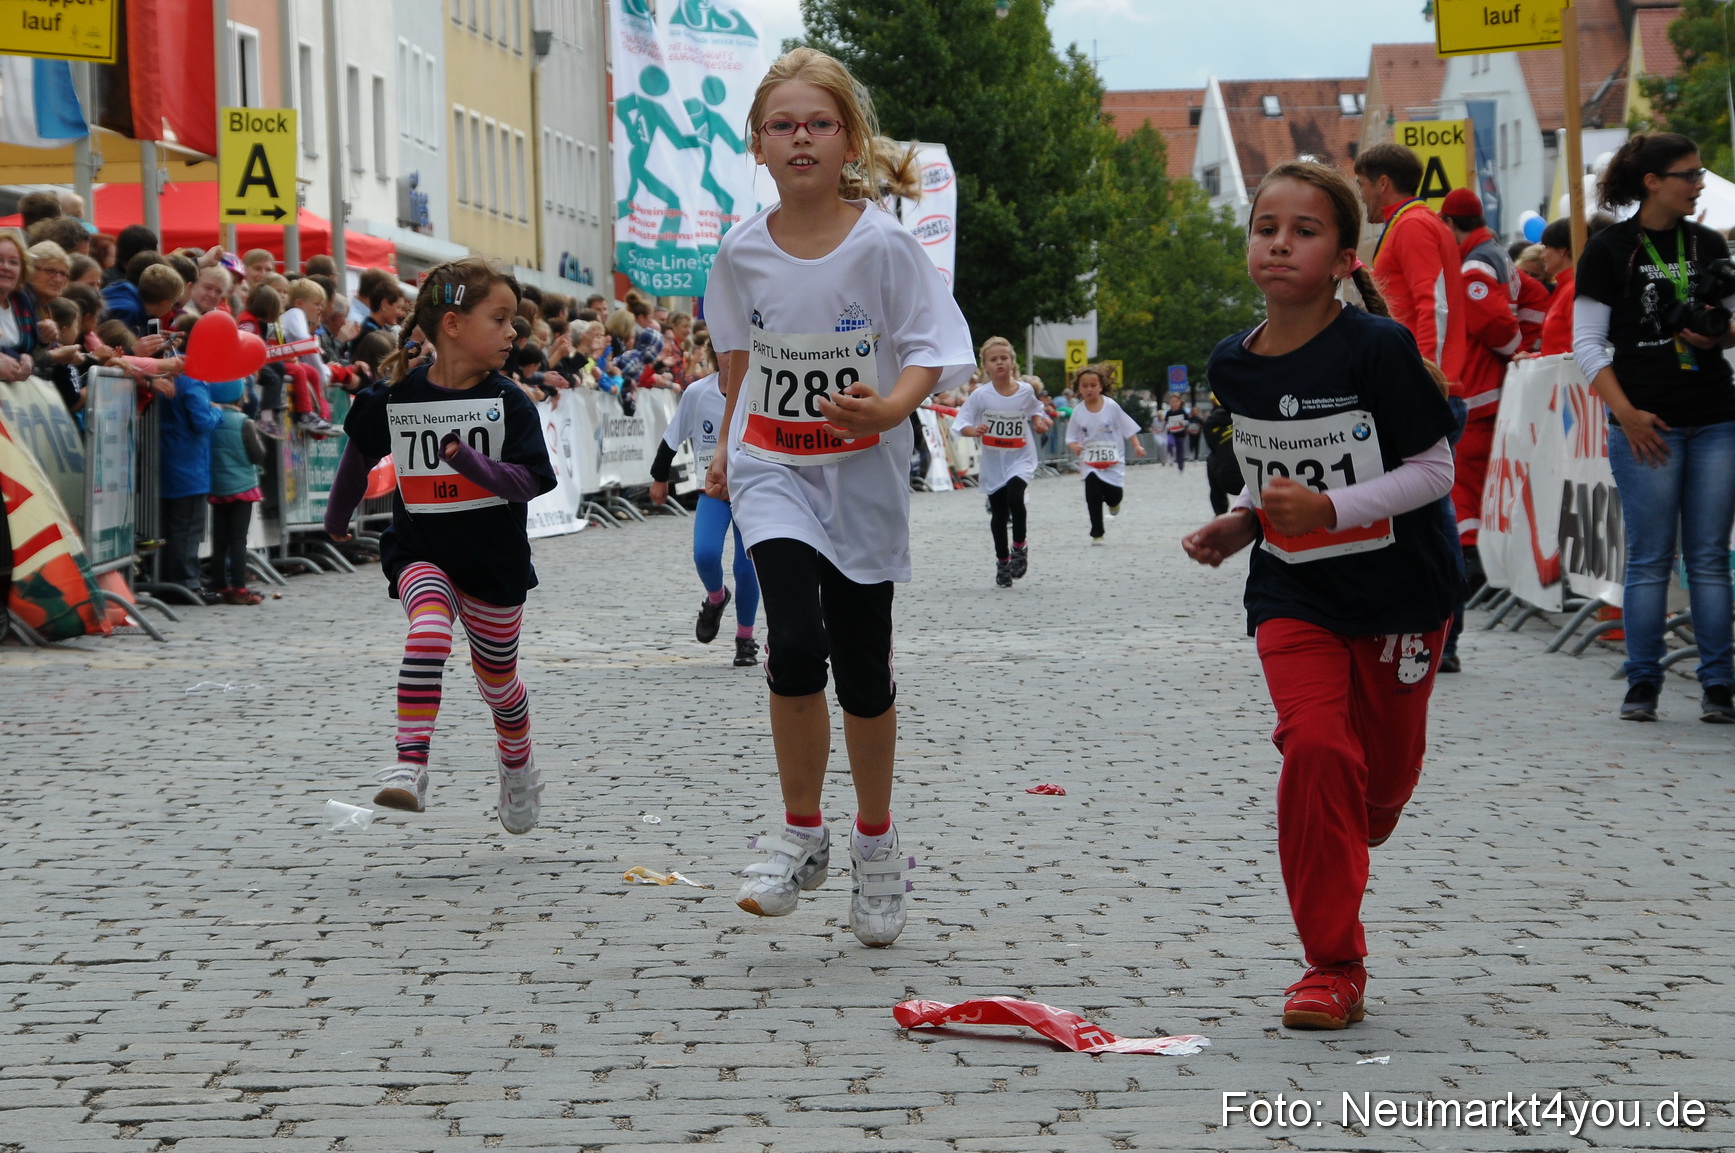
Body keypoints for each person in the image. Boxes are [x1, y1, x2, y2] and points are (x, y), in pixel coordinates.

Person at [702, 46, 973, 947]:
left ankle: (875, 840)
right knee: (793, 640)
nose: (801, 138)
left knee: (861, 670)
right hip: (771, 463)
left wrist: (891, 405)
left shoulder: (884, 243)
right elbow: (735, 356)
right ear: (758, 145)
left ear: (849, 138)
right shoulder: (740, 249)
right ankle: (798, 831)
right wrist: (724, 451)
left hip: (860, 473)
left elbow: (932, 345)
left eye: (819, 123)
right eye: (782, 125)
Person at [1182, 158, 1459, 1032]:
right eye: (1266, 227)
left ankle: (1367, 809)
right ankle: (1330, 963)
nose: (1279, 244)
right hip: (1294, 595)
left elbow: (1433, 470)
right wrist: (1243, 521)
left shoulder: (1376, 349)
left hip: (1403, 596)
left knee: (1374, 789)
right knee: (1315, 750)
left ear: (1344, 257)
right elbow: (1273, 479)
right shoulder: (1234, 362)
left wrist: (1330, 507)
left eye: (1304, 232)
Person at [322, 257, 558, 831]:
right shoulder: (392, 398)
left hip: (493, 562)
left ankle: (518, 765)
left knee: (498, 681)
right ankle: (409, 766)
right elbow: (358, 460)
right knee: (427, 631)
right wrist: (337, 518)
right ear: (451, 325)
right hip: (421, 548)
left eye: (514, 322)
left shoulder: (510, 402)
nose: (513, 333)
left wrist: (471, 463)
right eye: (499, 320)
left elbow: (531, 480)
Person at [1573, 132, 1735, 723]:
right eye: (1688, 174)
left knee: (1710, 556)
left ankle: (1719, 686)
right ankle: (1642, 684)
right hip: (1645, 421)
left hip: (1716, 416)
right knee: (1649, 558)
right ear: (1652, 182)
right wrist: (1627, 415)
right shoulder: (1610, 249)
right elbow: (1588, 346)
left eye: (1698, 174)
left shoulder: (1709, 241)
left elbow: (1733, 328)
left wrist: (1716, 333)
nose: (1698, 184)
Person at [1437, 186, 1521, 672]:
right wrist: (1528, 343)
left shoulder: (1473, 265)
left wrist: (1516, 348)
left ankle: (1466, 574)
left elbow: (1491, 318)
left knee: (1460, 505)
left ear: (1450, 225)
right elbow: (1531, 302)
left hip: (1475, 396)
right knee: (1466, 502)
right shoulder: (1499, 255)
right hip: (1492, 400)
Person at [650, 371, 761, 665]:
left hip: (751, 490)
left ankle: (745, 637)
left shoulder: (761, 386)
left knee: (746, 566)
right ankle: (716, 597)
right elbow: (672, 436)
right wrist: (659, 477)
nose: (731, 356)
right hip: (712, 489)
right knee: (705, 554)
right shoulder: (698, 392)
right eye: (724, 349)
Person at [1353, 143, 1466, 395]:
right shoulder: (1413, 222)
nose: (1360, 194)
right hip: (1418, 380)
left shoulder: (1412, 225)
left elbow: (1433, 305)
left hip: (1424, 387)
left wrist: (1426, 379)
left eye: (1361, 184)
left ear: (1382, 184)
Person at [952, 335, 1051, 586]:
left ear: (1012, 362)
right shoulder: (980, 395)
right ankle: (1003, 561)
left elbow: (1036, 409)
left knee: (1015, 498)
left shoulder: (1025, 390)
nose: (999, 363)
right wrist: (972, 431)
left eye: (1004, 358)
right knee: (998, 512)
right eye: (993, 359)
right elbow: (962, 421)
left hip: (1020, 456)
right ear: (985, 365)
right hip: (994, 461)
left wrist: (1039, 421)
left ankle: (1019, 547)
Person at [1066, 366, 1146, 543]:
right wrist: (1074, 446)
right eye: (1084, 386)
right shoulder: (1078, 411)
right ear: (1079, 388)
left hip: (1113, 461)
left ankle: (1114, 503)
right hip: (1090, 462)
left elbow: (1128, 427)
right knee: (1092, 494)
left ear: (1100, 387)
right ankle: (1097, 532)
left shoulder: (1111, 406)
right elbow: (1070, 436)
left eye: (1093, 385)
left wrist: (1137, 446)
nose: (1089, 389)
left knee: (1114, 495)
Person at [206, 379, 265, 605]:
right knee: (238, 540)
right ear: (239, 397)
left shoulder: (212, 420)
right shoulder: (243, 421)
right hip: (242, 487)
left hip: (218, 485)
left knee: (219, 539)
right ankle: (239, 587)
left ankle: (219, 584)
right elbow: (257, 453)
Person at [0, 229, 43, 382]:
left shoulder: (21, 301)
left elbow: (32, 348)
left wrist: (29, 360)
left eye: (13, 262)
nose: (5, 267)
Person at [1201, 399, 1242, 516]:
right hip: (1251, 478)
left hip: (1226, 478)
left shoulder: (1210, 423)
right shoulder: (1244, 415)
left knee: (1211, 460)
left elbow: (1212, 447)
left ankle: (1220, 511)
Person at [1161, 394, 1190, 468]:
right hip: (1171, 432)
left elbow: (1188, 421)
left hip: (1181, 434)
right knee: (1170, 443)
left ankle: (1181, 466)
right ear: (1170, 403)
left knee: (1180, 450)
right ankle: (1171, 455)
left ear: (1180, 402)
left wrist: (1183, 423)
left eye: (1176, 401)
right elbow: (1165, 422)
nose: (1174, 403)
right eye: (1172, 401)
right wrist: (1166, 426)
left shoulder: (1182, 411)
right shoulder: (1169, 413)